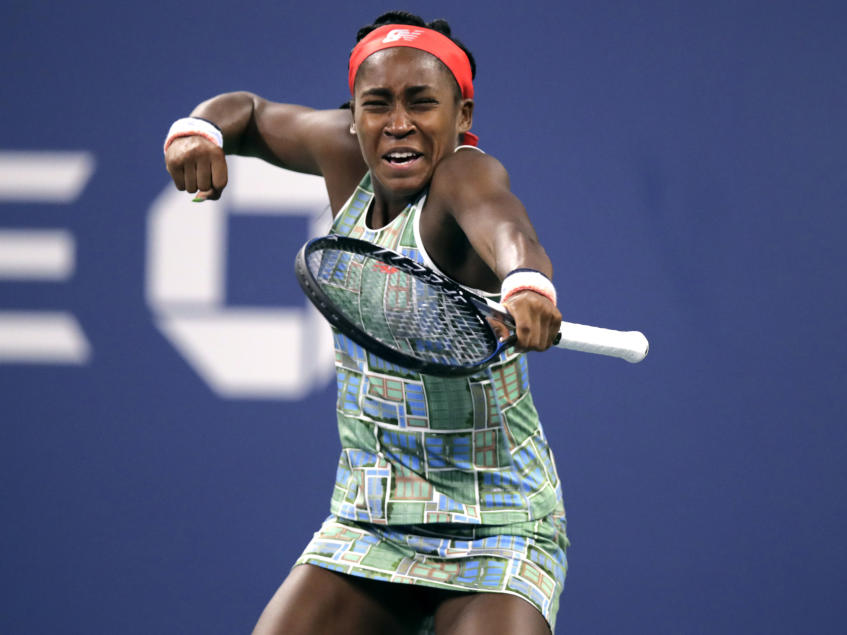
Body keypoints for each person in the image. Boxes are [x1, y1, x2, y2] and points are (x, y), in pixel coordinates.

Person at [163, 11, 568, 635]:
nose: (398, 123)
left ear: (462, 117)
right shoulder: (340, 151)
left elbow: (506, 225)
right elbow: (245, 111)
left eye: (422, 103)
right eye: (377, 104)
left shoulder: (465, 174)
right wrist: (197, 131)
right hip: (370, 518)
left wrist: (526, 282)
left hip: (500, 526)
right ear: (353, 116)